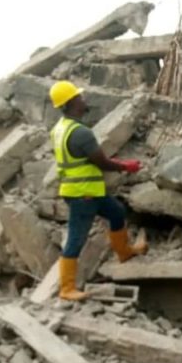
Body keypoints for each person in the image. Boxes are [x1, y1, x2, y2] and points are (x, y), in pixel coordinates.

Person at [49, 80, 147, 301]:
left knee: (117, 212)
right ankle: (66, 289)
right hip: (83, 194)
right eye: (79, 97)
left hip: (83, 190)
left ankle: (124, 252)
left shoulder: (59, 129)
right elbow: (101, 162)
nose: (84, 99)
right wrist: (126, 166)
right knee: (76, 237)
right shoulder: (80, 133)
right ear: (72, 102)